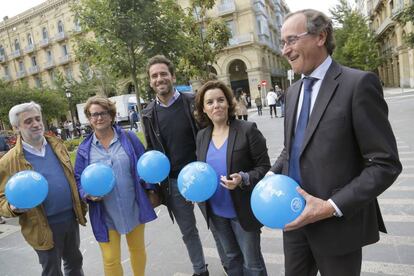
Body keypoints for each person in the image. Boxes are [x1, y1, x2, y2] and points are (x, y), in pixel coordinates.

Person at [267, 9, 402, 276]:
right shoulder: (292, 93)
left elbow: (385, 164)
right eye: (283, 42)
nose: (285, 50)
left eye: (291, 40)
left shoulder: (358, 84)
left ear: (320, 36)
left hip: (338, 225)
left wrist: (330, 207)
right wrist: (270, 176)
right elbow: (292, 147)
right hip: (293, 219)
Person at [142, 55, 226, 276]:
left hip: (202, 176)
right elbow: (151, 151)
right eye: (154, 76)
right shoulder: (148, 113)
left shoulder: (193, 101)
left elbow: (211, 136)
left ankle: (229, 264)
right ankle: (200, 270)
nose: (159, 78)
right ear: (150, 81)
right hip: (173, 183)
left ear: (172, 76)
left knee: (217, 226)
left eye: (163, 74)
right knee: (188, 231)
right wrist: (153, 187)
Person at [0, 102, 87, 276]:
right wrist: (12, 208)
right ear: (16, 127)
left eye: (38, 119)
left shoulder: (57, 145)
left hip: (70, 218)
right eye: (28, 121)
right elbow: (1, 198)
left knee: (75, 263)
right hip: (41, 226)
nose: (36, 124)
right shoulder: (8, 161)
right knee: (52, 270)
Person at [74, 96, 157, 276]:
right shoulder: (84, 149)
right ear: (89, 119)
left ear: (111, 115)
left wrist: (150, 190)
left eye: (103, 113)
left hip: (132, 205)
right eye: (93, 114)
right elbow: (79, 179)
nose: (98, 118)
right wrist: (87, 194)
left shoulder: (129, 138)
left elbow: (145, 165)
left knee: (137, 249)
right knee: (110, 258)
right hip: (105, 212)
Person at [194, 80, 270, 276]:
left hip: (243, 212)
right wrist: (193, 189)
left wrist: (243, 178)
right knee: (231, 261)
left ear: (228, 103)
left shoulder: (247, 129)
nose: (216, 105)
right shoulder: (202, 136)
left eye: (220, 100)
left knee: (253, 266)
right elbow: (201, 172)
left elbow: (264, 167)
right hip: (216, 213)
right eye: (209, 102)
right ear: (204, 108)